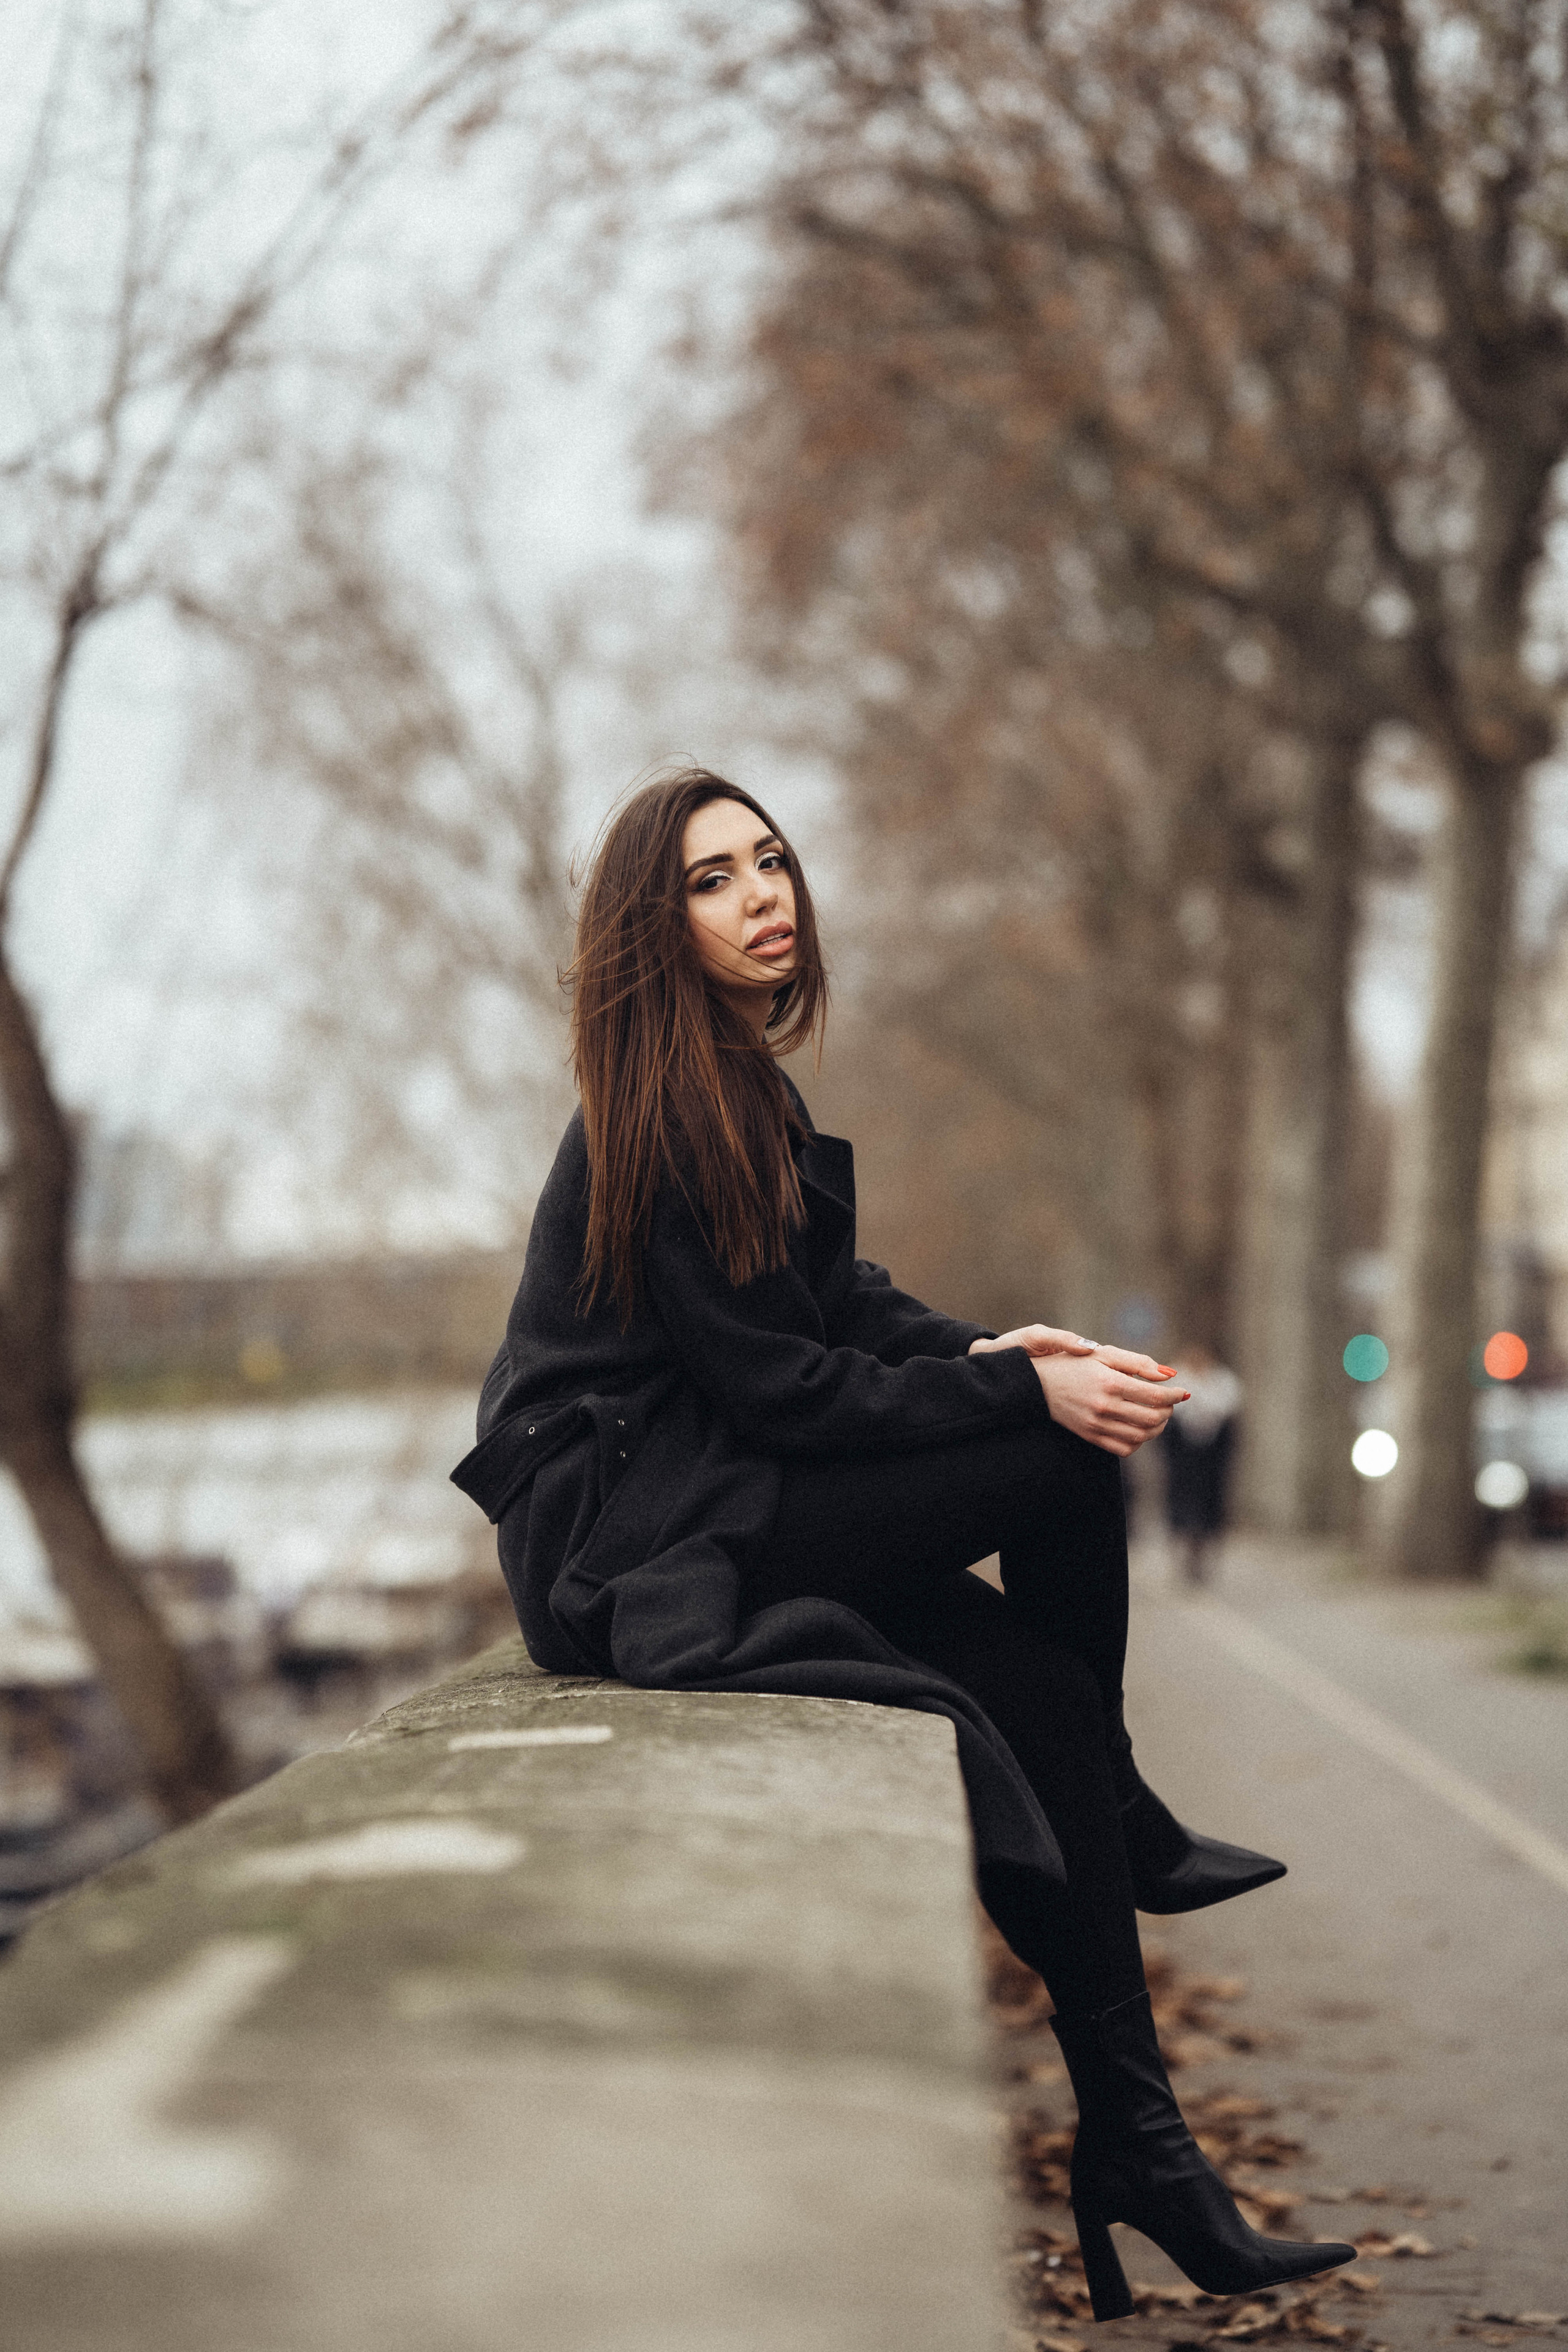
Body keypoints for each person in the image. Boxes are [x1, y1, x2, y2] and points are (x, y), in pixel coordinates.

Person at [452, 770, 1354, 2320]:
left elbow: (841, 1308)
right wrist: (1019, 1390)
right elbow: (779, 1385)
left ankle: (1140, 2152)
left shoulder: (740, 1091)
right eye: (713, 878)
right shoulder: (660, 1115)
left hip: (714, 1486)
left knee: (1042, 1700)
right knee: (1064, 1470)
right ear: (649, 927)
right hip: (632, 1530)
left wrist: (1008, 1341)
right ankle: (1126, 1821)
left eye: (772, 861)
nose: (760, 894)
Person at [1161, 1344, 1243, 1587]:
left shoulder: (1224, 1383)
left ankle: (1203, 1552)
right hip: (1182, 1460)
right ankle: (1185, 1549)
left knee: (1210, 1507)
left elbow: (1231, 1422)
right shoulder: (1177, 1380)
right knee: (1182, 1504)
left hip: (1212, 1460)